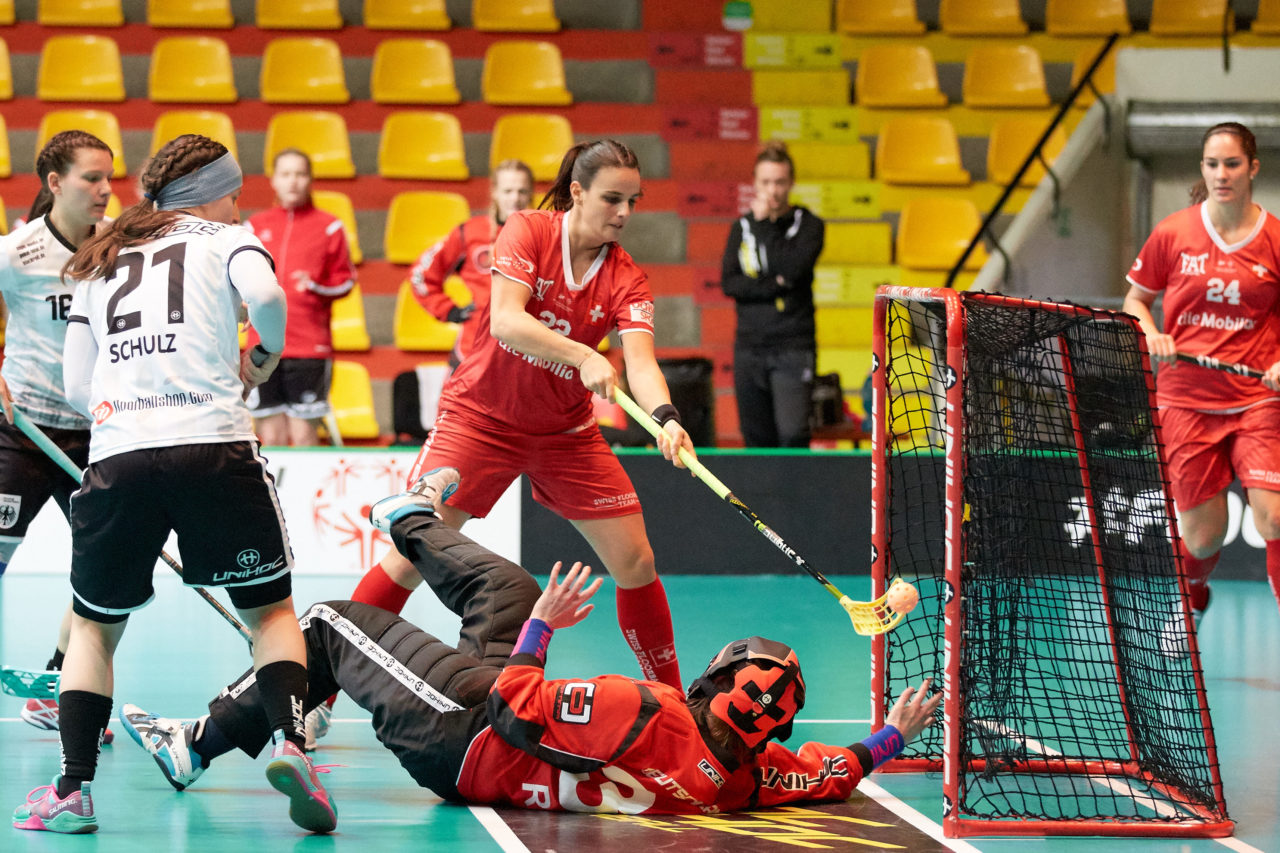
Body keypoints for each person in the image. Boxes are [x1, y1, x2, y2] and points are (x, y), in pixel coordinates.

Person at [117, 468, 941, 822]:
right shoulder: (749, 780)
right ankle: (412, 515)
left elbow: (516, 704)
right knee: (503, 590)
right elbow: (835, 773)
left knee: (329, 623)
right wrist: (890, 736)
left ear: (715, 675)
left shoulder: (643, 708)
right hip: (503, 738)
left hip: (468, 738)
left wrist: (545, 628)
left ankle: (196, 744)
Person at [11, 134, 334, 835]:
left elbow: (74, 386)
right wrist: (262, 355)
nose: (239, 201)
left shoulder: (97, 260)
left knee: (94, 630)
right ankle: (290, 742)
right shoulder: (229, 239)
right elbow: (269, 296)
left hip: (120, 453)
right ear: (209, 195)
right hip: (214, 445)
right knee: (271, 614)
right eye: (235, 189)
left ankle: (72, 792)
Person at [327, 140, 692, 745]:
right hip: (481, 420)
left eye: (633, 201)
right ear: (576, 191)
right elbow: (505, 319)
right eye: (611, 199)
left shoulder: (627, 277)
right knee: (409, 556)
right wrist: (580, 354)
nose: (624, 213)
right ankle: (320, 692)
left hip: (566, 434)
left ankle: (677, 705)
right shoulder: (527, 230)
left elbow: (642, 363)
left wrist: (666, 416)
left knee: (637, 562)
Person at [1123, 121, 1280, 628]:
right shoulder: (1174, 232)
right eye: (1212, 164)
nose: (1221, 174)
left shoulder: (1275, 237)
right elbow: (1136, 301)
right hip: (1186, 399)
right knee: (1202, 537)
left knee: (1274, 516)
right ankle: (1193, 593)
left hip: (1258, 396)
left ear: (1252, 168)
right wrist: (1150, 332)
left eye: (1232, 163)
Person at [0, 131, 117, 742]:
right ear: (54, 183)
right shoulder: (15, 253)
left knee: (102, 574)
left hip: (97, 437)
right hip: (22, 433)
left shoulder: (120, 248)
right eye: (91, 178)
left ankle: (62, 689)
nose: (105, 190)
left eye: (108, 177)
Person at [245, 148, 356, 446]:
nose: (293, 181)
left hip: (309, 347)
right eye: (285, 174)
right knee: (269, 435)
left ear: (310, 180)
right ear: (273, 180)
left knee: (304, 434)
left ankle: (302, 495)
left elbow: (346, 282)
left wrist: (315, 286)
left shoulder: (330, 226)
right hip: (261, 344)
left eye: (300, 174)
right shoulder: (254, 226)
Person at [721, 140, 825, 448]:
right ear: (754, 183)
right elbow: (730, 283)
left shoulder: (809, 225)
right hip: (749, 348)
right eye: (765, 182)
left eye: (779, 182)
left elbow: (790, 269)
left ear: (791, 183)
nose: (773, 190)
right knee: (756, 440)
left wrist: (765, 225)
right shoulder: (741, 228)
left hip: (793, 347)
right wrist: (775, 284)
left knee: (793, 436)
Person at [410, 158, 535, 369]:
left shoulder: (544, 234)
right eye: (508, 191)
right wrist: (448, 310)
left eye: (522, 191)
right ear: (494, 192)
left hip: (528, 354)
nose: (515, 198)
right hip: (473, 352)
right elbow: (420, 274)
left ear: (531, 193)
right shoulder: (470, 232)